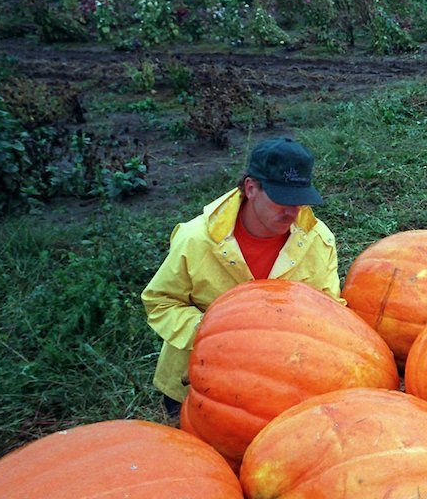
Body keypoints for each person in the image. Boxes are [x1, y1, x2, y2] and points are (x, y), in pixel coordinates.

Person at [141, 137, 343, 416]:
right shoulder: (196, 240)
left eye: (299, 201)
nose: (292, 212)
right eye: (282, 199)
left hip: (280, 385)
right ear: (251, 188)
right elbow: (160, 302)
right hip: (197, 385)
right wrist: (212, 332)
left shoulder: (319, 241)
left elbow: (330, 314)